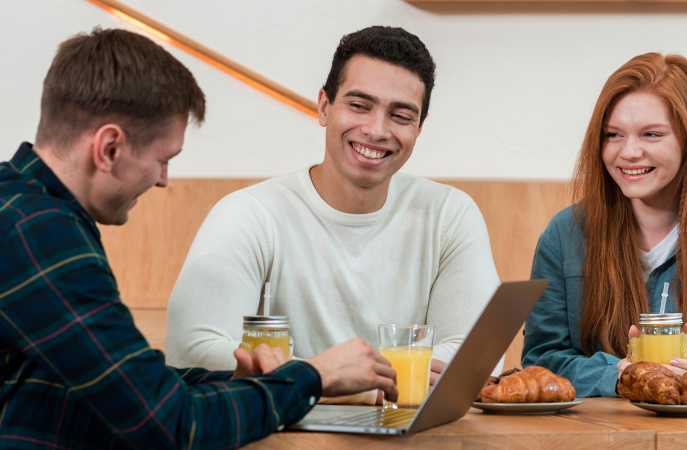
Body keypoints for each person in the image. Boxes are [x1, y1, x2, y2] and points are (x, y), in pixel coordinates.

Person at [0, 28, 397, 449]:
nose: (163, 181)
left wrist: (261, 383)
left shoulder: (23, 207)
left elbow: (123, 383)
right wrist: (315, 376)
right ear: (109, 147)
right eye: (163, 160)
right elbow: (172, 425)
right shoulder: (40, 233)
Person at [165, 25, 501, 404]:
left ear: (419, 127)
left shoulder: (449, 215)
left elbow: (478, 356)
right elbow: (193, 349)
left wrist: (311, 379)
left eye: (401, 115)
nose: (376, 130)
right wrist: (349, 385)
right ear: (325, 107)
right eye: (359, 105)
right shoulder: (248, 214)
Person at [521, 53, 687, 398]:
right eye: (613, 135)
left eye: (651, 134)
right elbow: (541, 360)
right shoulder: (564, 235)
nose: (629, 152)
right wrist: (617, 375)